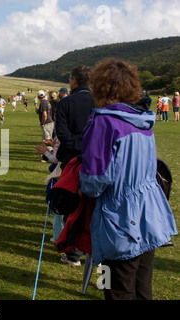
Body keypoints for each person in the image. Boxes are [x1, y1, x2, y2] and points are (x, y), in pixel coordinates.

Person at [80, 58, 177, 300]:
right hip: (149, 217)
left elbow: (95, 182)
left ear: (100, 87)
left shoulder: (103, 121)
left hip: (119, 221)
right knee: (142, 287)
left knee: (115, 289)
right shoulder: (143, 120)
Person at [55, 65, 96, 266]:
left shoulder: (66, 102)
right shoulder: (99, 102)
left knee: (70, 203)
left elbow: (61, 133)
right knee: (90, 205)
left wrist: (76, 149)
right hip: (95, 159)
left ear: (74, 81)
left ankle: (73, 251)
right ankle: (83, 248)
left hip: (72, 160)